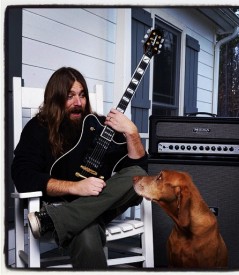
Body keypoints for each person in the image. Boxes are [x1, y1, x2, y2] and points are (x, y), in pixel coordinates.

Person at [11, 67, 148, 269]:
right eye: (70, 96)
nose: (78, 103)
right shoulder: (37, 128)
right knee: (85, 231)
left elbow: (137, 171)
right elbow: (23, 176)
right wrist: (75, 187)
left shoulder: (100, 127)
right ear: (55, 99)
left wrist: (132, 133)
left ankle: (54, 220)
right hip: (59, 204)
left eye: (82, 95)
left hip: (94, 205)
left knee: (138, 177)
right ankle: (65, 217)